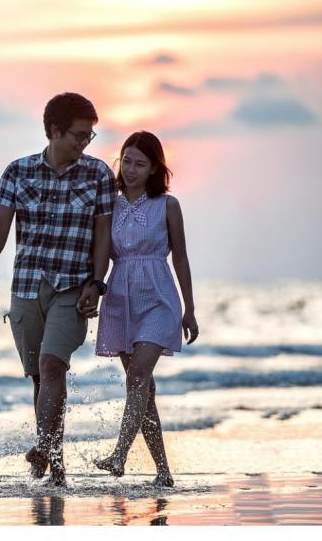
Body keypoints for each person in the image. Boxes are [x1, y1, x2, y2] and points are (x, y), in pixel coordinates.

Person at [0, 92, 116, 487]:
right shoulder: (17, 172)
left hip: (72, 288)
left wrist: (96, 282)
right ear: (55, 132)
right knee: (40, 378)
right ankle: (53, 464)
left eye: (90, 136)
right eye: (78, 135)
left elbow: (103, 236)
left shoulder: (98, 175)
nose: (85, 143)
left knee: (53, 364)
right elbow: (0, 224)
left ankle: (44, 451)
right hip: (26, 286)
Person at [92, 130, 199, 487]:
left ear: (155, 168)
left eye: (141, 163)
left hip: (158, 298)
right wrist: (90, 291)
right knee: (143, 389)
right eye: (127, 161)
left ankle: (119, 455)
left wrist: (190, 308)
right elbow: (102, 255)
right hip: (120, 299)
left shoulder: (168, 205)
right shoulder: (110, 202)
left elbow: (181, 257)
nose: (132, 169)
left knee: (138, 376)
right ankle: (164, 473)